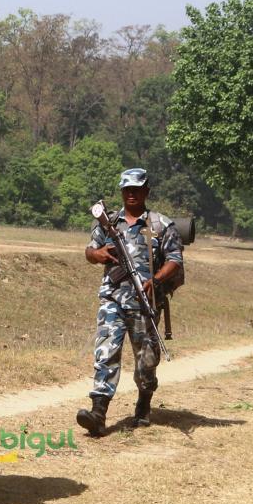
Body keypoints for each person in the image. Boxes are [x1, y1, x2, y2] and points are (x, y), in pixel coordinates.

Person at [75, 168, 183, 436]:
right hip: (112, 297)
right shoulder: (108, 222)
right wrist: (96, 253)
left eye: (136, 189)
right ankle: (98, 412)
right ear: (121, 192)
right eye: (127, 190)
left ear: (146, 191)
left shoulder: (160, 225)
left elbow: (175, 260)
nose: (131, 194)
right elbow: (90, 251)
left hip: (145, 302)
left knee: (146, 360)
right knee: (106, 351)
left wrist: (155, 281)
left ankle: (144, 402)